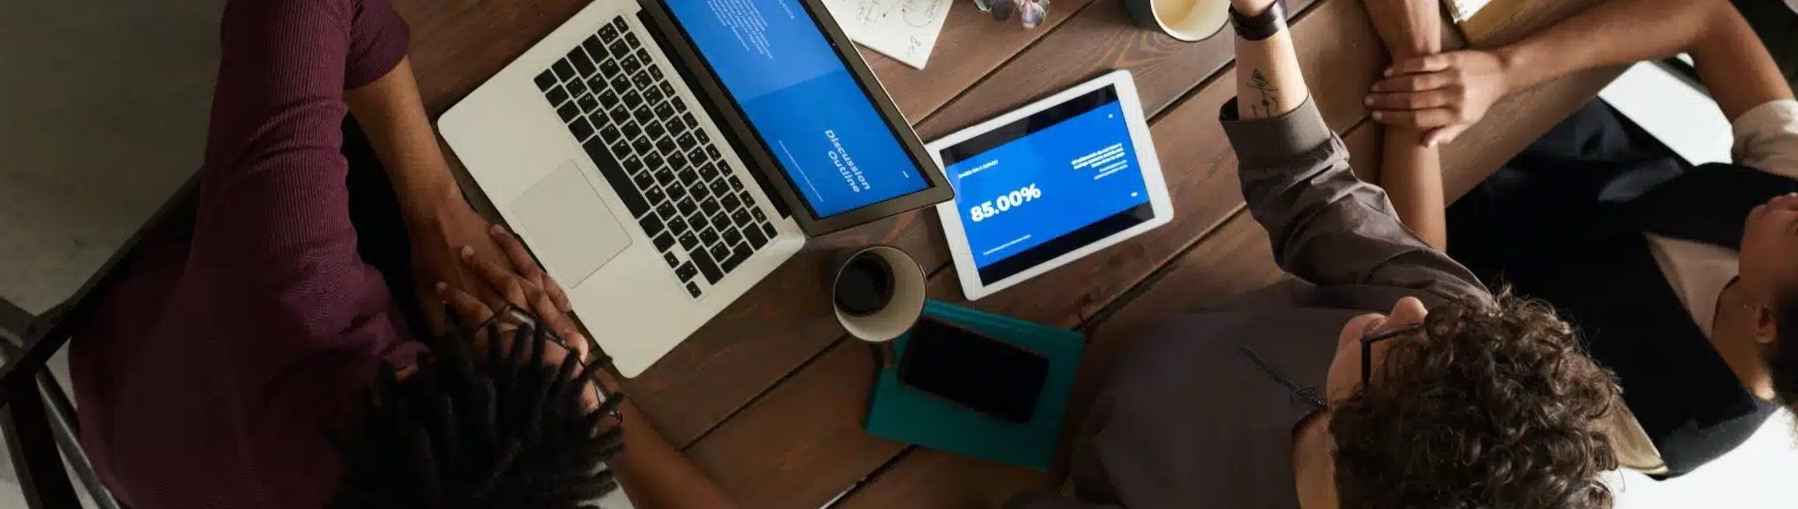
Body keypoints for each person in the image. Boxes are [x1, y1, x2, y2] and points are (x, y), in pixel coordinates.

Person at [67, 0, 736, 507]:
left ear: (428, 360)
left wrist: (435, 208)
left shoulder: (295, 283)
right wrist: (578, 400)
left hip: (139, 380)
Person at [1006, 0, 1625, 507]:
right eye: (1435, 323)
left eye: (1392, 350)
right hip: (1148, 314)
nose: (1411, 309)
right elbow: (1310, 188)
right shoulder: (1455, 329)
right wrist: (1257, 17)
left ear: (1354, 457)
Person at [1366, 0, 1798, 476]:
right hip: (1521, 106)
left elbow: (1430, 322)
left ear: (1764, 320)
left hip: (1404, 194)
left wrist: (1417, 75)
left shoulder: (1647, 426)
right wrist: (1502, 72)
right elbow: (1709, 19)